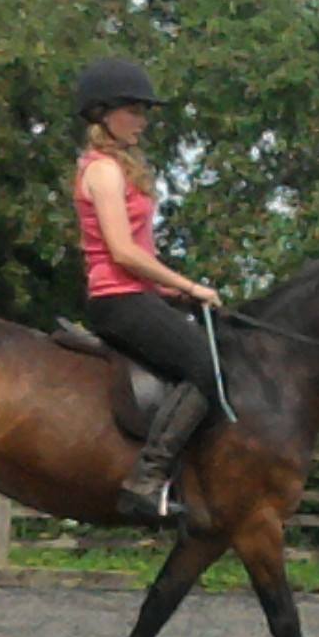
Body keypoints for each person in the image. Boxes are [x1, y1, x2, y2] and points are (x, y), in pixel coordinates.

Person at [73, 57, 223, 521]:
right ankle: (146, 479)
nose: (142, 121)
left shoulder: (125, 168)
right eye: (134, 111)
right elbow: (122, 252)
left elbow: (142, 253)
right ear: (102, 113)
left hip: (139, 295)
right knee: (206, 366)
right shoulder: (102, 170)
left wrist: (174, 293)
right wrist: (189, 285)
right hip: (116, 299)